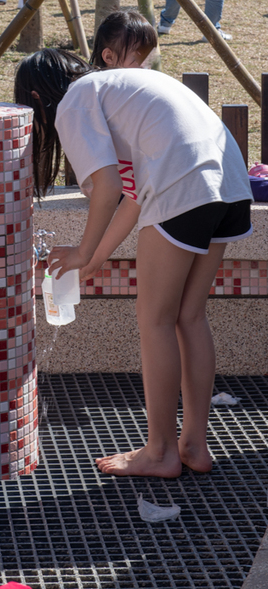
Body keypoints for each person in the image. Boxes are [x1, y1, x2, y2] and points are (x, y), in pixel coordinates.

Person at [15, 44, 253, 478]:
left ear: (35, 97)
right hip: (232, 186)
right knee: (189, 316)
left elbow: (107, 189)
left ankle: (160, 451)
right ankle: (193, 445)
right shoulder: (121, 87)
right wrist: (95, 257)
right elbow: (131, 196)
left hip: (184, 188)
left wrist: (82, 251)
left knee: (155, 320)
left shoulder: (74, 100)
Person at [90, 9, 158, 69]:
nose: (146, 66)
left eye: (148, 59)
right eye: (138, 57)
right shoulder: (94, 80)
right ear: (109, 56)